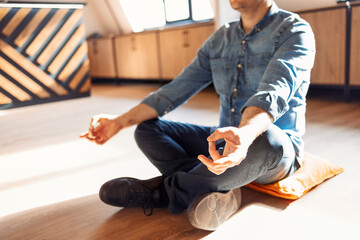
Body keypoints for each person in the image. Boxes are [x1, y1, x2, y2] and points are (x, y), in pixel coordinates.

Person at [81, 0, 315, 231]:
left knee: (267, 139)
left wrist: (245, 135)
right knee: (147, 128)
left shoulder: (295, 30)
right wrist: (120, 121)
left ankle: (162, 192)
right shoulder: (221, 39)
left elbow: (273, 92)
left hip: (272, 151)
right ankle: (213, 184)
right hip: (223, 143)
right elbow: (175, 90)